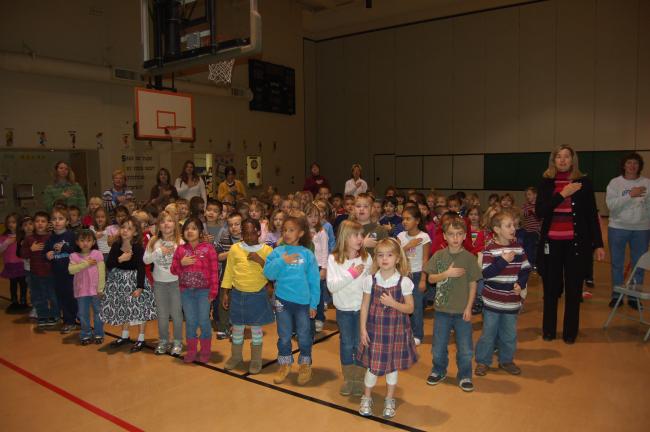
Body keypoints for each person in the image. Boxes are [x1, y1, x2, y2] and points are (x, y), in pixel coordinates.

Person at [536, 144, 604, 344]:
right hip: (551, 244)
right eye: (559, 156)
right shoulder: (546, 182)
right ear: (553, 160)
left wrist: (598, 244)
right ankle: (548, 330)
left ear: (573, 160)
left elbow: (592, 215)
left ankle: (570, 333)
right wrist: (562, 194)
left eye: (567, 156)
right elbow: (541, 211)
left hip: (576, 245)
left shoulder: (584, 182)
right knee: (550, 289)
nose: (563, 160)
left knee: (574, 290)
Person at [357, 238, 417, 418]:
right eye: (380, 255)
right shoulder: (370, 280)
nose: (385, 259)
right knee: (372, 368)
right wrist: (362, 329)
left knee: (392, 367)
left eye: (389, 255)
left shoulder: (404, 282)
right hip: (375, 331)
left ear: (397, 258)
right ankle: (366, 397)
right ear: (376, 258)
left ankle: (390, 398)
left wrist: (393, 303)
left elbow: (410, 308)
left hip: (395, 332)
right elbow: (365, 306)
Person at [425, 217, 481, 392]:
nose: (455, 238)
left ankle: (465, 375)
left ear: (465, 236)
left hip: (461, 312)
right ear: (444, 236)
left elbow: (473, 284)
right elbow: (431, 278)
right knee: (438, 346)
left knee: (465, 348)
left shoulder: (469, 258)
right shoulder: (439, 256)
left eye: (459, 234)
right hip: (441, 310)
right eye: (451, 234)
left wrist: (468, 307)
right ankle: (438, 370)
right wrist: (446, 273)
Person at [263, 216, 320, 385]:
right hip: (283, 302)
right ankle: (285, 364)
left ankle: (304, 364)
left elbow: (314, 281)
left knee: (304, 335)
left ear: (301, 233)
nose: (287, 233)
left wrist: (313, 303)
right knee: (284, 335)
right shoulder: (278, 253)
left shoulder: (308, 255)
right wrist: (282, 261)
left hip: (303, 303)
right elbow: (268, 273)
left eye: (291, 230)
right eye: (285, 230)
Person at [474, 211, 531, 377]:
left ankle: (506, 360)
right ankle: (483, 361)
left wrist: (520, 283)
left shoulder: (519, 248)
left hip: (512, 302)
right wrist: (503, 260)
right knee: (488, 333)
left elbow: (526, 269)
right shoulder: (490, 250)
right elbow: (486, 273)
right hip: (492, 302)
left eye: (514, 225)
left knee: (509, 334)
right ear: (497, 229)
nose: (513, 228)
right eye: (509, 225)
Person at [221, 219, 274, 374]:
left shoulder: (267, 250)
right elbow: (229, 271)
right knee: (237, 328)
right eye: (245, 234)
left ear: (259, 232)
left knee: (256, 329)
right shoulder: (235, 249)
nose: (249, 237)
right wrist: (225, 292)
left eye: (252, 233)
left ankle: (256, 359)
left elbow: (272, 273)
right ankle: (236, 356)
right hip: (237, 294)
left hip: (257, 295)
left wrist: (259, 260)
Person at [327, 220, 372, 397]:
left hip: (362, 311)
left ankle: (359, 378)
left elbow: (371, 284)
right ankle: (348, 378)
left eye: (362, 235)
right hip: (344, 310)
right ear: (345, 237)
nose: (360, 239)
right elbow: (332, 286)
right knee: (347, 344)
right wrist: (352, 274)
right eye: (356, 235)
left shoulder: (367, 258)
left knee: (361, 343)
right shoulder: (334, 259)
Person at [101, 216, 157, 353]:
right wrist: (120, 259)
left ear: (136, 233)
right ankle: (125, 335)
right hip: (119, 281)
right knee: (124, 307)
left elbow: (141, 267)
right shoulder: (116, 245)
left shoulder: (137, 248)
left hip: (134, 280)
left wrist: (140, 286)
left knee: (139, 309)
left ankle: (141, 338)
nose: (125, 231)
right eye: (123, 227)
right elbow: (109, 264)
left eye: (129, 228)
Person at [171, 217, 219, 363]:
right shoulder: (180, 249)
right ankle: (192, 350)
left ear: (200, 232)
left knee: (204, 320)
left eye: (193, 228)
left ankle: (205, 350)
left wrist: (213, 291)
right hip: (186, 292)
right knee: (191, 321)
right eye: (187, 229)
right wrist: (181, 263)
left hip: (204, 292)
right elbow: (173, 270)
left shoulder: (208, 248)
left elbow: (214, 271)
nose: (190, 231)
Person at [605, 152, 650, 309]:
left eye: (635, 163)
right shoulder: (615, 183)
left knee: (639, 264)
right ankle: (616, 295)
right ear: (624, 166)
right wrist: (631, 194)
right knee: (617, 264)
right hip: (618, 228)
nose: (632, 166)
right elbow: (611, 205)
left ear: (640, 166)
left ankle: (634, 297)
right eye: (629, 163)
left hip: (641, 229)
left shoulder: (647, 183)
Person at [144, 211, 184, 356]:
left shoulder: (180, 242)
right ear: (158, 225)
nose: (166, 224)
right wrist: (159, 252)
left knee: (176, 314)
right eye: (162, 221)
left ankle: (178, 341)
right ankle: (163, 341)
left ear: (175, 224)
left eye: (169, 221)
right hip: (159, 283)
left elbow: (186, 262)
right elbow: (146, 260)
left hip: (175, 283)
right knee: (162, 314)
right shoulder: (154, 241)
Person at [396, 207, 431, 346]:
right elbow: (395, 255)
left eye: (408, 218)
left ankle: (417, 335)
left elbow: (425, 260)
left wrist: (423, 279)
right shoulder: (400, 236)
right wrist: (408, 245)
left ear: (417, 221)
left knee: (415, 307)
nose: (404, 221)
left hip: (417, 275)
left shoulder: (424, 237)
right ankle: (404, 332)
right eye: (403, 218)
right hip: (403, 274)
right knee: (402, 305)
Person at [68, 230, 105, 345]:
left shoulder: (97, 254)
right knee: (83, 314)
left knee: (98, 312)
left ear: (93, 242)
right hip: (81, 291)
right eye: (82, 240)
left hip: (95, 291)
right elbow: (71, 270)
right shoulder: (73, 256)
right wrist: (86, 263)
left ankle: (99, 333)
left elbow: (102, 272)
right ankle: (86, 334)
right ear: (77, 242)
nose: (85, 243)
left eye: (89, 240)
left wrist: (101, 288)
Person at [22, 212, 58, 327]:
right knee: (37, 296)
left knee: (52, 296)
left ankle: (54, 315)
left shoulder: (51, 237)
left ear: (48, 223)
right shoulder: (29, 239)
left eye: (43, 221)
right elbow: (23, 254)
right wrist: (31, 249)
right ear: (33, 224)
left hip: (50, 273)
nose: (40, 224)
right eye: (37, 221)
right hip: (35, 273)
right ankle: (42, 316)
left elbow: (57, 253)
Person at [45, 207, 77, 334]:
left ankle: (74, 318)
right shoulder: (50, 238)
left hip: (71, 273)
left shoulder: (71, 235)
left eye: (61, 219)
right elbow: (45, 253)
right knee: (62, 298)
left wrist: (65, 247)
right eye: (54, 219)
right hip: (57, 274)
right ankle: (69, 321)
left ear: (67, 221)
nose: (57, 222)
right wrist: (47, 255)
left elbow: (77, 252)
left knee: (72, 297)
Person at [214, 212, 243, 339]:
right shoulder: (225, 238)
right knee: (223, 302)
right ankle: (223, 327)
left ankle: (235, 327)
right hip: (226, 276)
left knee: (238, 303)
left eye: (237, 224)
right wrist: (232, 251)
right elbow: (218, 257)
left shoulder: (248, 239)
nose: (234, 227)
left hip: (242, 277)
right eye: (230, 225)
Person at [306, 204, 329, 334]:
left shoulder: (321, 232)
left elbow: (325, 251)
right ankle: (307, 317)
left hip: (318, 266)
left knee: (318, 294)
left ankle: (319, 317)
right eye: (310, 216)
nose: (313, 219)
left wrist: (324, 268)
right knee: (307, 293)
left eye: (316, 215)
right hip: (306, 267)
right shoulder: (302, 232)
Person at [1, 213, 29, 312]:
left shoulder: (23, 236)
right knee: (13, 284)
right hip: (10, 264)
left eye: (13, 222)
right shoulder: (4, 237)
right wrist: (6, 243)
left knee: (23, 283)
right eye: (9, 222)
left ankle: (23, 300)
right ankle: (14, 301)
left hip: (21, 264)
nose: (11, 224)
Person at [521, 187, 541, 270]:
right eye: (526, 195)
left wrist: (536, 211)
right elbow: (523, 214)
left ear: (535, 195)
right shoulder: (525, 205)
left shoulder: (540, 205)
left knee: (530, 242)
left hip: (536, 231)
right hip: (526, 230)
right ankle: (524, 261)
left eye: (529, 194)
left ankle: (531, 263)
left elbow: (541, 217)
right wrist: (530, 211)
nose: (527, 196)